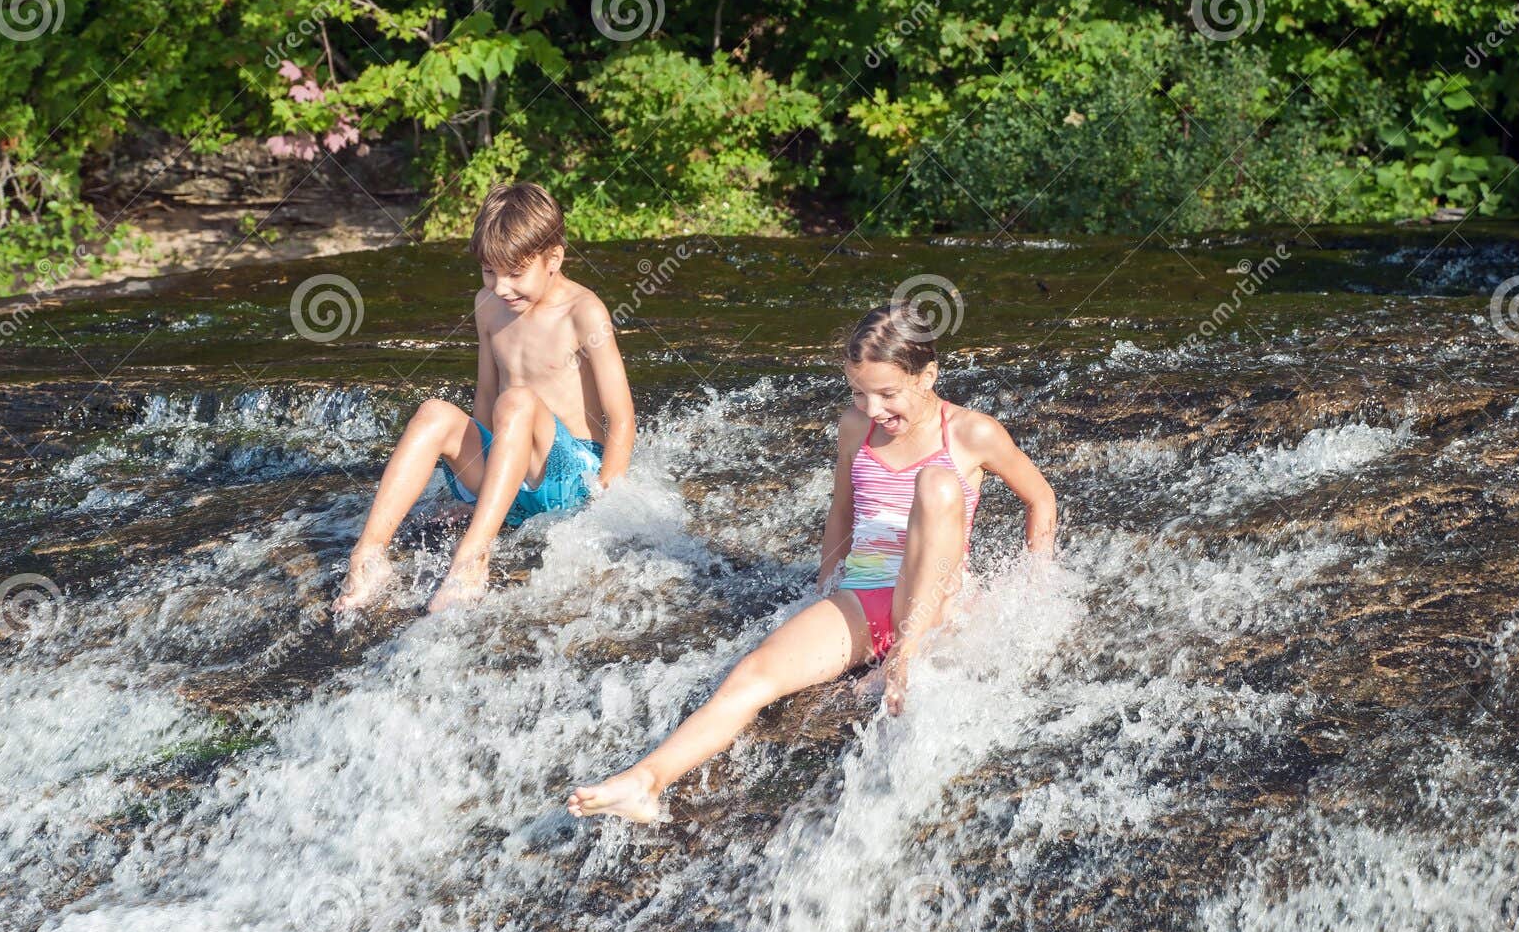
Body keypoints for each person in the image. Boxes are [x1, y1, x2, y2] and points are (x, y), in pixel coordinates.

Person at [568, 300, 1056, 821]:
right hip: (867, 595)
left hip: (935, 602)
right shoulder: (856, 428)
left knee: (934, 483)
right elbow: (842, 511)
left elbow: (1040, 499)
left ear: (928, 375)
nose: (873, 409)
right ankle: (646, 781)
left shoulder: (971, 432)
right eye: (858, 393)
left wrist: (1034, 588)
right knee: (754, 672)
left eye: (888, 394)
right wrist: (825, 591)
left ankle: (904, 657)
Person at [333, 182, 635, 614]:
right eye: (490, 272)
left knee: (517, 402)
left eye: (515, 273)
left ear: (554, 259)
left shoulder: (583, 312)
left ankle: (473, 556)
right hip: (505, 481)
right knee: (434, 413)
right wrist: (469, 489)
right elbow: (485, 395)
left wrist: (609, 499)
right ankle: (369, 556)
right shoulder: (488, 305)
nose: (502, 287)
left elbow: (621, 417)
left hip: (567, 479)